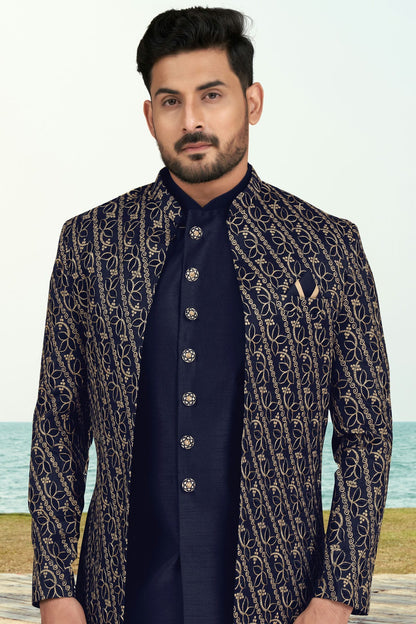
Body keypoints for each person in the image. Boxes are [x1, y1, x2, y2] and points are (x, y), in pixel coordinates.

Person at [28, 7, 392, 624]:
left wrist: (337, 595)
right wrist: (55, 590)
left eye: (212, 95)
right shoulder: (92, 243)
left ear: (252, 102)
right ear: (150, 116)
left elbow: (366, 435)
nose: (192, 120)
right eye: (171, 101)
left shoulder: (327, 246)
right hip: (120, 601)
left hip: (278, 602)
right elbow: (59, 428)